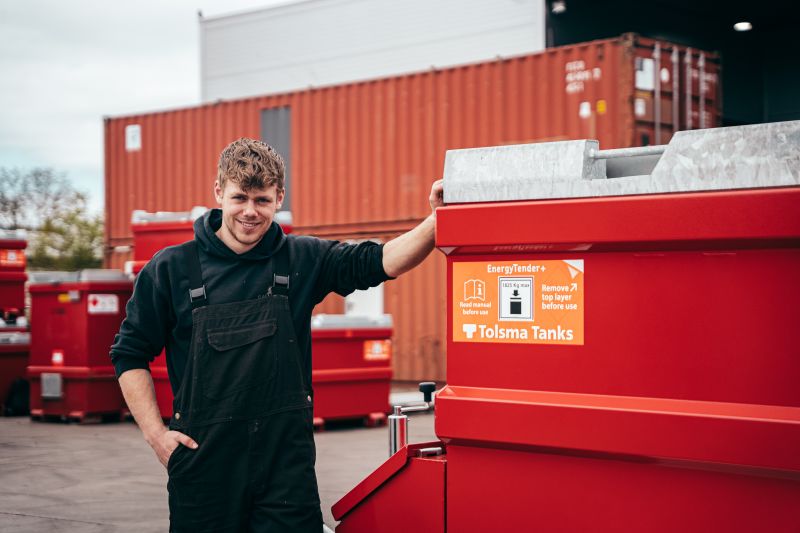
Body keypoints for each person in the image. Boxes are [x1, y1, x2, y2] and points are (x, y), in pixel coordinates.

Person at [110, 137, 443, 532]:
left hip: (285, 470)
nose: (250, 212)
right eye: (240, 198)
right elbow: (129, 354)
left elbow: (381, 261)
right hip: (205, 469)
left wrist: (437, 222)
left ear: (279, 197)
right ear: (219, 192)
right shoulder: (170, 269)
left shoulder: (302, 258)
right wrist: (156, 436)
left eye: (263, 201)